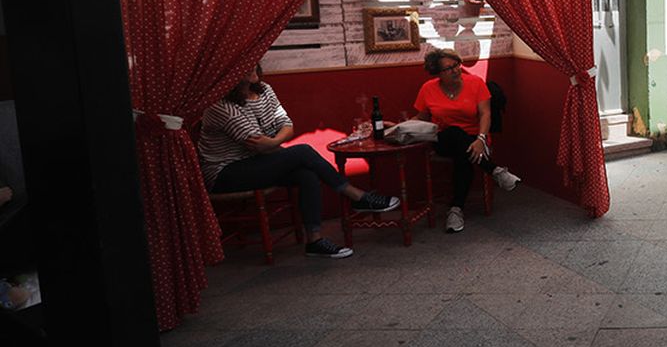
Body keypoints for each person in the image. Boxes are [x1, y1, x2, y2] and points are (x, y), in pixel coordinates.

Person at [200, 66, 398, 258]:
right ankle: (357, 197)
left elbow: (287, 126)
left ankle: (315, 241)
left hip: (259, 161)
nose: (252, 66)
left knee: (306, 173)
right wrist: (274, 143)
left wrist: (274, 141)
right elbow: (257, 144)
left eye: (254, 60)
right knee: (303, 152)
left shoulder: (265, 90)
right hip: (224, 173)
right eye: (244, 64)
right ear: (228, 72)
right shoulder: (220, 105)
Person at [413, 48, 520, 234]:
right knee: (454, 133)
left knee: (464, 156)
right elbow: (422, 117)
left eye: (456, 65)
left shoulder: (475, 83)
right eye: (448, 68)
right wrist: (397, 127)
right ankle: (494, 170)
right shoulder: (428, 89)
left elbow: (485, 114)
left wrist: (481, 139)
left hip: (473, 138)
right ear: (438, 73)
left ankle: (455, 210)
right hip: (443, 139)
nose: (455, 70)